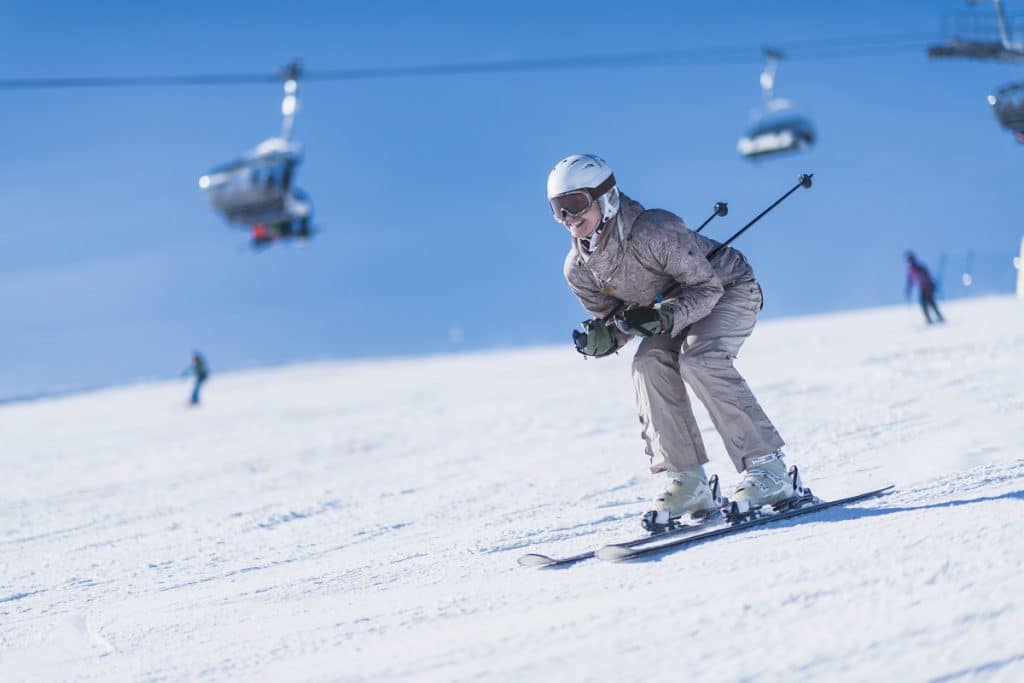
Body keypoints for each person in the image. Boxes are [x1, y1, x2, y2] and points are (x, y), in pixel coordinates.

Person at [549, 154, 802, 530]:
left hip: (728, 289)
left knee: (699, 358)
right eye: (558, 209)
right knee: (647, 364)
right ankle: (688, 480)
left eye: (575, 204)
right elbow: (619, 320)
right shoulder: (579, 269)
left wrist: (664, 316)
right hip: (671, 311)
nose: (569, 219)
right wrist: (605, 336)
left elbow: (707, 286)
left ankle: (769, 470)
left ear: (607, 198)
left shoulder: (655, 230)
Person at [904, 252, 945, 324]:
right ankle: (929, 319)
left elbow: (928, 276)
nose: (910, 262)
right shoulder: (911, 270)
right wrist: (908, 290)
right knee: (924, 304)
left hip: (928, 287)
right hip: (922, 288)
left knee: (931, 303)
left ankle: (939, 317)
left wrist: (932, 285)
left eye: (911, 260)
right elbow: (910, 281)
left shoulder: (920, 267)